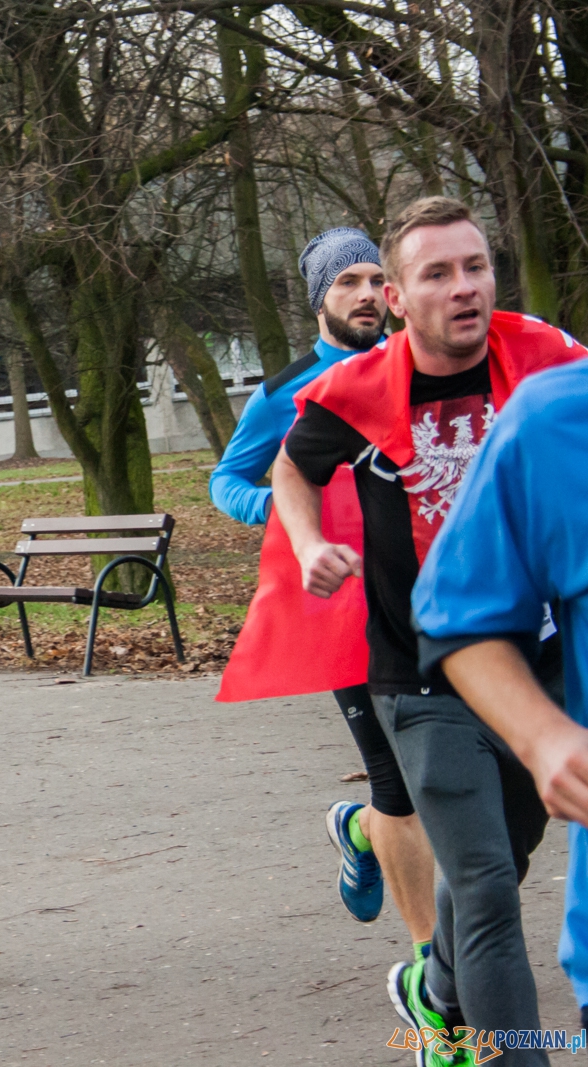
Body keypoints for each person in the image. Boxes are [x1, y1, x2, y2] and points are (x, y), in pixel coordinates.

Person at [271, 196, 584, 1065]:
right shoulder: (357, 387)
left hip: (538, 675)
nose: (463, 288)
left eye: (475, 267)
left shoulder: (550, 359)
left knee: (504, 862)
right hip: (418, 677)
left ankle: (432, 991)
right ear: (400, 299)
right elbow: (291, 471)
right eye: (437, 274)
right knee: (486, 889)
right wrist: (307, 542)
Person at [209, 228, 436, 946]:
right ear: (320, 300)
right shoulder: (284, 393)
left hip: (436, 599)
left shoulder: (422, 367)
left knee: (447, 775)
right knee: (398, 782)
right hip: (345, 612)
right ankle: (435, 966)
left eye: (375, 279)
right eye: (347, 283)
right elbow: (227, 479)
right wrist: (281, 508)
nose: (366, 294)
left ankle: (359, 829)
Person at [411, 355, 588, 1043]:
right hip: (414, 684)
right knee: (483, 873)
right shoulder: (555, 418)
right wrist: (542, 735)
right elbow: (458, 613)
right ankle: (444, 995)